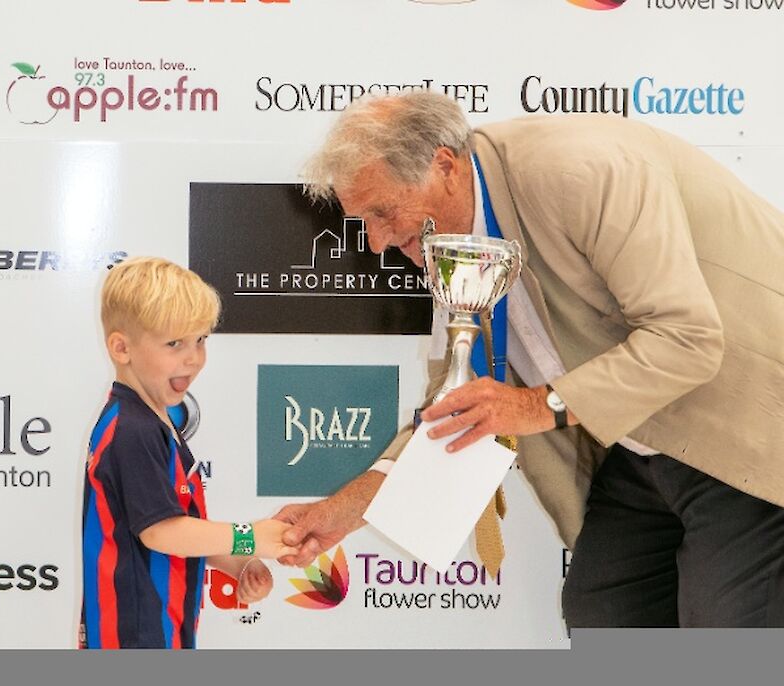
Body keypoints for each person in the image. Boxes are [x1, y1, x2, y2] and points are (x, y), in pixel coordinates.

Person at [276, 92, 784, 627]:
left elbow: (687, 338)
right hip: (643, 444)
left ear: (444, 166)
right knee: (604, 609)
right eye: (364, 221)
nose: (377, 242)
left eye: (382, 212)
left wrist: (535, 406)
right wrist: (343, 511)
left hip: (745, 427)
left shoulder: (583, 170)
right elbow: (452, 411)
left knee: (731, 622)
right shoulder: (448, 241)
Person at [80, 256, 298, 649]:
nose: (193, 357)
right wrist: (248, 538)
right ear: (121, 348)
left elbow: (175, 530)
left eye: (200, 340)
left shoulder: (153, 423)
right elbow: (161, 532)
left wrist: (237, 563)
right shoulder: (132, 429)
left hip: (162, 633)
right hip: (135, 639)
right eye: (174, 343)